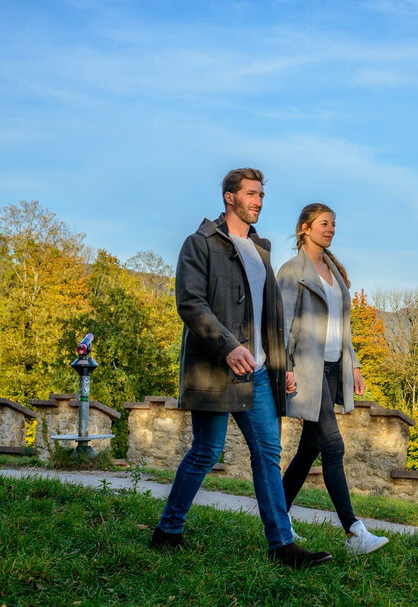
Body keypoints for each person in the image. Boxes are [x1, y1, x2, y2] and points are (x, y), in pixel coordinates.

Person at [149, 168, 332, 569]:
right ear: (229, 197)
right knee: (206, 450)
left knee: (268, 451)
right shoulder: (200, 243)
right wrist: (228, 347)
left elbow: (271, 315)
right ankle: (168, 529)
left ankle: (281, 545)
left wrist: (280, 364)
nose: (258, 201)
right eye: (251, 194)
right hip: (216, 368)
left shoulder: (260, 248)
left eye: (262, 195)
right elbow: (190, 303)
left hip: (260, 373)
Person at [278, 203, 388, 556]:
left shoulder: (334, 272)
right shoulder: (292, 271)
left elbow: (344, 327)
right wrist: (284, 368)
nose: (331, 229)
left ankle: (278, 518)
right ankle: (354, 532)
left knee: (309, 449)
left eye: (334, 224)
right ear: (305, 228)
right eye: (324, 224)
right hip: (307, 372)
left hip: (332, 369)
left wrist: (353, 364)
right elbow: (281, 326)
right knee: (333, 446)